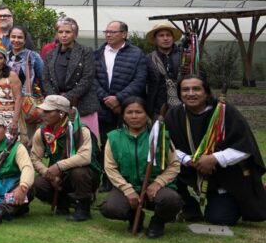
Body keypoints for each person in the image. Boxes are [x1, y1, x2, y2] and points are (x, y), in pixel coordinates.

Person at [165, 73, 266, 225]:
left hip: (224, 176)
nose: (191, 93)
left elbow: (245, 147)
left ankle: (231, 200)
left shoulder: (225, 112)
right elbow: (168, 146)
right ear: (179, 93)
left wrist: (214, 159)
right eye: (185, 90)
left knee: (218, 218)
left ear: (206, 92)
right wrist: (189, 161)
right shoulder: (174, 114)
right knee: (162, 168)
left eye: (196, 89)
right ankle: (189, 208)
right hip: (190, 168)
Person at [100, 97, 182, 238]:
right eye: (129, 112)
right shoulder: (114, 137)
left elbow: (174, 165)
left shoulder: (160, 136)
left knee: (171, 200)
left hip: (155, 188)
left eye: (139, 112)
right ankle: (134, 217)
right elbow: (110, 168)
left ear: (147, 114)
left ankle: (158, 222)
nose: (134, 116)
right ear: (123, 115)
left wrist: (157, 183)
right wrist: (127, 189)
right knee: (111, 208)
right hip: (128, 186)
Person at [29, 95, 102, 221]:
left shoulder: (80, 130)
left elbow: (85, 157)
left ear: (61, 113)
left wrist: (58, 166)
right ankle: (62, 203)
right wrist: (48, 173)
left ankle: (83, 207)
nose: (43, 114)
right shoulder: (41, 132)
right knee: (38, 184)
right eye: (43, 111)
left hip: (85, 176)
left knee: (78, 173)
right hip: (57, 175)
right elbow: (34, 158)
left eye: (48, 112)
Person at [94, 21, 147, 151]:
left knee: (126, 145)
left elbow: (139, 80)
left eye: (112, 32)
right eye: (106, 32)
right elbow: (91, 79)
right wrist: (106, 99)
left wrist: (118, 98)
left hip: (126, 108)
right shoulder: (97, 54)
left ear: (124, 34)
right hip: (102, 108)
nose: (108, 35)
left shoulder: (136, 54)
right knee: (105, 145)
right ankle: (105, 170)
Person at [42, 18, 99, 137]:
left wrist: (67, 97)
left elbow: (87, 78)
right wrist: (56, 100)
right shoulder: (49, 55)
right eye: (60, 32)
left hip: (82, 105)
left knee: (85, 140)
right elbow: (45, 80)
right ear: (56, 34)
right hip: (56, 108)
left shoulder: (86, 52)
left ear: (75, 34)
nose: (64, 35)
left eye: (67, 32)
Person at [8, 25, 44, 146]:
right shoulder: (2, 56)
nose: (16, 40)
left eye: (20, 37)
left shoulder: (33, 56)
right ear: (9, 38)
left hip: (26, 104)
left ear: (25, 40)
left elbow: (43, 79)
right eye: (13, 37)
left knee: (26, 141)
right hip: (7, 104)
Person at [143, 21, 184, 117]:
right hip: (156, 108)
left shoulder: (184, 56)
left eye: (168, 35)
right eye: (161, 35)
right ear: (155, 39)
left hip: (182, 105)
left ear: (173, 38)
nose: (165, 38)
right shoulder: (148, 59)